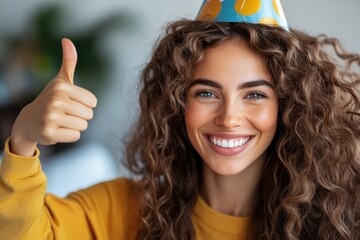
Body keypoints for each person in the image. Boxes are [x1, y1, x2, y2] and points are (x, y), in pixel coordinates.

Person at [1, 4, 360, 240]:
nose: (229, 118)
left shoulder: (335, 222)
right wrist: (23, 138)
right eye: (206, 93)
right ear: (177, 102)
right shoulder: (125, 210)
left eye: (254, 94)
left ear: (290, 107)